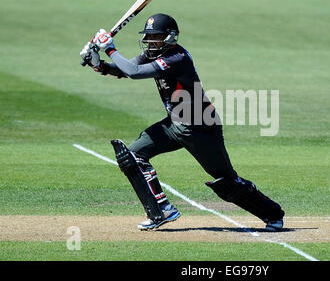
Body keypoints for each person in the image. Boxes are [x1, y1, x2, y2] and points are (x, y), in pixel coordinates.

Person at [79, 13, 285, 231]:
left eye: (156, 37)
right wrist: (98, 64)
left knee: (226, 181)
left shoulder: (177, 57)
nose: (151, 41)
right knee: (132, 156)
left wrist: (110, 48)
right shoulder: (153, 53)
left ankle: (272, 214)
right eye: (148, 37)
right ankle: (161, 210)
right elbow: (124, 70)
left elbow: (135, 72)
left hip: (199, 126)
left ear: (170, 37)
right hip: (175, 124)